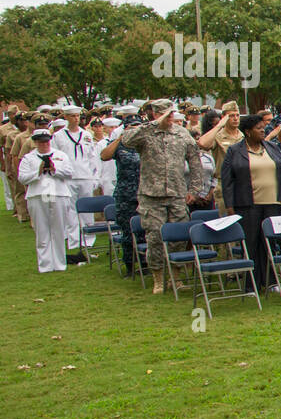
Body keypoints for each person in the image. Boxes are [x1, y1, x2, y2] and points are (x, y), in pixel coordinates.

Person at [120, 100, 205, 294]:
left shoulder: (181, 133)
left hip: (177, 194)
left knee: (178, 238)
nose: (170, 117)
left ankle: (175, 277)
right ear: (155, 114)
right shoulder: (145, 131)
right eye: (165, 114)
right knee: (155, 237)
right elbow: (127, 140)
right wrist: (153, 124)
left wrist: (194, 188)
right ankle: (158, 277)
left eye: (171, 113)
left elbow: (194, 160)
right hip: (152, 195)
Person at [221, 114, 281, 290]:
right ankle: (250, 285)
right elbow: (227, 180)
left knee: (269, 243)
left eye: (263, 127)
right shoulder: (235, 151)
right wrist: (229, 206)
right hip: (248, 204)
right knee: (251, 244)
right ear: (247, 131)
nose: (263, 130)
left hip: (273, 203)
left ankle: (270, 281)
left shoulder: (272, 147)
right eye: (258, 128)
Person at [18, 128, 75, 273]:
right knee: (42, 231)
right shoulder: (29, 158)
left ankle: (60, 264)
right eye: (41, 142)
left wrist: (55, 170)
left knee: (59, 230)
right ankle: (45, 265)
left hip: (59, 194)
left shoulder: (60, 155)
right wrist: (37, 172)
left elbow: (69, 173)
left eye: (46, 141)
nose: (44, 144)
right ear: (35, 142)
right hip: (37, 195)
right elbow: (22, 177)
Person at [50, 106, 99, 255]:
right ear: (66, 117)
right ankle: (74, 241)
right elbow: (54, 157)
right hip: (68, 178)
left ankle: (89, 241)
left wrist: (95, 176)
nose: (76, 119)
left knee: (87, 210)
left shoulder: (86, 135)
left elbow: (92, 157)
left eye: (78, 116)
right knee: (70, 210)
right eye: (72, 116)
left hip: (85, 176)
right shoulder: (58, 136)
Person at [100, 116, 141, 276]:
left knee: (145, 231)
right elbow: (104, 156)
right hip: (126, 194)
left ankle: (145, 265)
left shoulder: (144, 144)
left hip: (144, 193)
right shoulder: (120, 145)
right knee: (128, 231)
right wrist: (120, 138)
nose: (135, 129)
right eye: (132, 126)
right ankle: (130, 265)